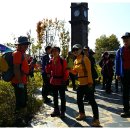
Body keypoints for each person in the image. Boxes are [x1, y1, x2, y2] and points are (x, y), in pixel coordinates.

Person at [69, 44, 100, 127]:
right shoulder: (76, 60)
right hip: (80, 83)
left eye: (76, 49)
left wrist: (90, 83)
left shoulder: (85, 59)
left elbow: (89, 71)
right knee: (79, 100)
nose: (75, 51)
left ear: (80, 50)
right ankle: (82, 114)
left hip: (87, 83)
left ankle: (96, 119)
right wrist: (69, 70)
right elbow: (75, 72)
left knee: (92, 101)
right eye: (73, 50)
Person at [11, 36, 30, 124]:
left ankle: (25, 116)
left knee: (24, 100)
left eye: (27, 44)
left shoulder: (22, 54)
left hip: (22, 81)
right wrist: (20, 82)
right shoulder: (17, 54)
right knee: (19, 101)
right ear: (19, 45)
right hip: (19, 82)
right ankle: (18, 120)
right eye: (24, 44)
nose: (26, 46)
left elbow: (23, 68)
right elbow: (16, 69)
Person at [46, 46, 69, 118]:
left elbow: (66, 71)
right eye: (53, 51)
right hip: (53, 81)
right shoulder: (51, 61)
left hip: (61, 81)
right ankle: (56, 110)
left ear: (59, 52)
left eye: (56, 51)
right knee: (55, 97)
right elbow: (48, 71)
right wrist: (47, 64)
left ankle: (62, 111)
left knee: (62, 97)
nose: (54, 52)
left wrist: (65, 80)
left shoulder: (63, 61)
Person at [116, 32, 130, 118]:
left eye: (127, 39)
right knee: (125, 93)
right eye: (124, 39)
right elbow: (117, 62)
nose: (125, 40)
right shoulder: (120, 50)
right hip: (124, 73)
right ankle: (126, 111)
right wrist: (117, 74)